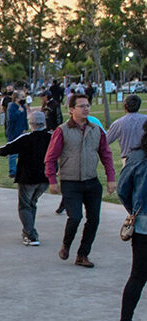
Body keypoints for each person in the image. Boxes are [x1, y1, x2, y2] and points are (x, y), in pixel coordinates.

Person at [45, 93, 117, 268]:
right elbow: (51, 157)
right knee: (75, 217)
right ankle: (66, 244)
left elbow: (106, 154)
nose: (86, 109)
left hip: (91, 182)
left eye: (87, 105)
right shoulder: (62, 131)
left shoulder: (96, 130)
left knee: (94, 220)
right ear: (71, 110)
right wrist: (52, 180)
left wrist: (111, 178)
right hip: (71, 182)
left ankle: (83, 254)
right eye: (81, 106)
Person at [0, 111, 51, 246]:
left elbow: (7, 148)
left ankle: (30, 234)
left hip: (28, 178)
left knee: (25, 206)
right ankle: (29, 230)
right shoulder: (51, 137)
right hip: (45, 178)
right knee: (32, 203)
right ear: (44, 123)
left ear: (31, 124)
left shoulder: (26, 138)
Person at [115, 123, 147, 321]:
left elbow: (122, 189)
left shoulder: (137, 157)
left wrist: (134, 210)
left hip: (143, 224)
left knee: (137, 275)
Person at [107, 94, 146, 161]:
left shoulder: (118, 123)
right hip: (145, 157)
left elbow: (106, 140)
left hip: (128, 159)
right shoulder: (145, 120)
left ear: (124, 106)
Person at [5, 91, 29, 178]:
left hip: (21, 131)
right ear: (16, 98)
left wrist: (25, 128)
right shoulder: (11, 106)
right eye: (21, 97)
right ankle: (12, 171)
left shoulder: (23, 107)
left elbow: (25, 118)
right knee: (13, 152)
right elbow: (11, 119)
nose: (23, 99)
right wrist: (18, 112)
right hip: (13, 132)